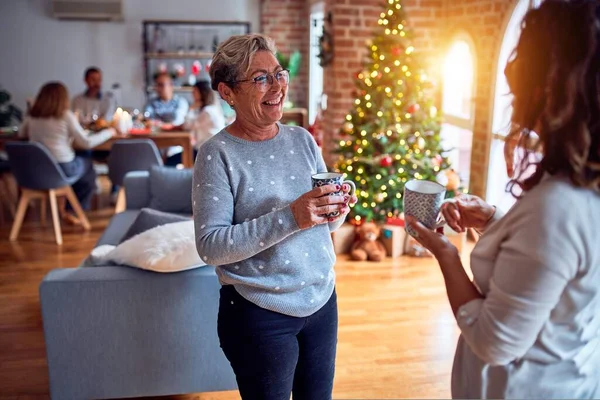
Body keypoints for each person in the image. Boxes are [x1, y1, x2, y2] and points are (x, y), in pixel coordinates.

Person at [407, 1, 600, 398]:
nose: (509, 73)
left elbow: (494, 342)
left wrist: (445, 253)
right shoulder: (578, 184)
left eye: (523, 55)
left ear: (554, 83)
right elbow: (549, 268)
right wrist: (494, 221)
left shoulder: (559, 207)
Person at [192, 34, 357, 400]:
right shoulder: (216, 154)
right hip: (259, 313)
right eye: (260, 78)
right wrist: (292, 216)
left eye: (278, 73)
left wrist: (337, 208)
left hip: (321, 299)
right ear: (228, 92)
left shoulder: (302, 140)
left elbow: (326, 225)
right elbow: (211, 246)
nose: (277, 86)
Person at [19, 82, 115, 223]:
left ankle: (69, 206)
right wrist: (109, 132)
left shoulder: (32, 117)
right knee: (87, 168)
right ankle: (73, 210)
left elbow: (21, 134)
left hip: (37, 171)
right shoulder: (65, 115)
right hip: (62, 168)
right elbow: (86, 143)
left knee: (80, 164)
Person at [165, 80, 225, 166]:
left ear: (202, 92)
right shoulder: (211, 109)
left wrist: (191, 108)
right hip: (209, 149)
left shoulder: (207, 112)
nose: (192, 94)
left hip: (207, 152)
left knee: (170, 161)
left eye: (194, 91)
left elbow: (187, 126)